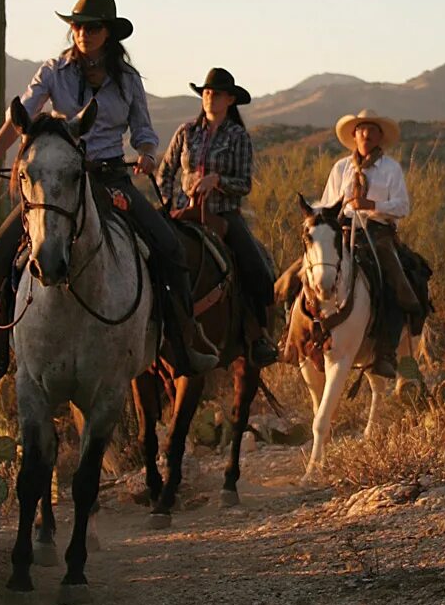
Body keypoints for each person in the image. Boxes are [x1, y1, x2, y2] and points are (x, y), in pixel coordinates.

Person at [0, 0, 218, 385]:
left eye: (92, 27)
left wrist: (146, 152)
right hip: (59, 180)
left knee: (169, 247)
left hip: (110, 178)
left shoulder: (127, 81)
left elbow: (144, 131)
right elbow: (22, 115)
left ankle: (183, 341)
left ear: (108, 33)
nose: (83, 33)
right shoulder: (53, 71)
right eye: (77, 26)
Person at [155, 68, 279, 367]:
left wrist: (217, 180)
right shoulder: (186, 132)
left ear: (230, 99)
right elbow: (166, 172)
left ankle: (258, 335)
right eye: (207, 92)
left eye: (217, 93)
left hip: (223, 214)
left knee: (256, 267)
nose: (210, 97)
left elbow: (244, 183)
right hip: (183, 213)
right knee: (148, 251)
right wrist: (166, 202)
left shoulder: (238, 136)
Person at [299, 109, 422, 378]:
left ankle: (387, 350)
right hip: (341, 227)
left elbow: (403, 206)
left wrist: (371, 205)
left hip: (377, 231)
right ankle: (295, 338)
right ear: (354, 135)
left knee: (388, 274)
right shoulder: (341, 168)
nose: (365, 134)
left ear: (380, 136)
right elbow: (328, 202)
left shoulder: (390, 168)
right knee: (306, 267)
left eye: (371, 130)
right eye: (361, 130)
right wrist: (316, 216)